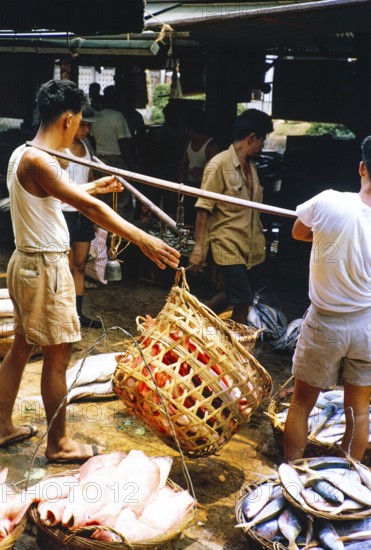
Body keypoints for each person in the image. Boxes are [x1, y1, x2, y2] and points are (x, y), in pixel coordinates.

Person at [0, 79, 180, 462]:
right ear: (67, 119)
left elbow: (55, 197)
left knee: (21, 347)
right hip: (44, 268)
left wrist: (92, 187)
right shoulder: (40, 160)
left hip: (27, 262)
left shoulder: (23, 154)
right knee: (57, 355)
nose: (80, 127)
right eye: (80, 120)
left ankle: (2, 426)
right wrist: (144, 238)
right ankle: (59, 443)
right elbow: (89, 210)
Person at [284, 136, 371, 463]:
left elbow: (298, 232)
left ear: (361, 167)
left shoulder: (328, 201)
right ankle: (347, 477)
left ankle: (291, 472)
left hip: (324, 323)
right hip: (367, 327)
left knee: (301, 405)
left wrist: (329, 238)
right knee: (358, 412)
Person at [189, 109, 273, 323]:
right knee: (242, 301)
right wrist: (199, 248)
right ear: (251, 137)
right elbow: (204, 206)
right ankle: (236, 346)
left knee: (233, 295)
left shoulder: (251, 167)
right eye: (261, 141)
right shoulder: (219, 164)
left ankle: (193, 321)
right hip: (228, 244)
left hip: (252, 248)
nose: (262, 146)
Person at [61, 105, 102, 329]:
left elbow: (91, 176)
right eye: (83, 124)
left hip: (82, 213)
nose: (86, 130)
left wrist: (95, 210)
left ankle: (78, 314)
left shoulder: (87, 147)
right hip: (62, 213)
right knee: (64, 268)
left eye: (89, 126)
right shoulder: (59, 148)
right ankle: (64, 315)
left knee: (79, 266)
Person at [90, 85, 136, 220]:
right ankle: (120, 235)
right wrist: (131, 164)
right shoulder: (118, 116)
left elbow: (92, 140)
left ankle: (106, 233)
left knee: (105, 198)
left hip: (100, 161)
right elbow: (124, 143)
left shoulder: (97, 116)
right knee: (122, 199)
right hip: (116, 161)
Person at [178, 109, 219, 225]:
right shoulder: (189, 144)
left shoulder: (211, 146)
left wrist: (201, 173)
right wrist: (182, 176)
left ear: (190, 129)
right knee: (188, 217)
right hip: (190, 186)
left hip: (204, 189)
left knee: (202, 218)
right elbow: (182, 164)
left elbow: (215, 171)